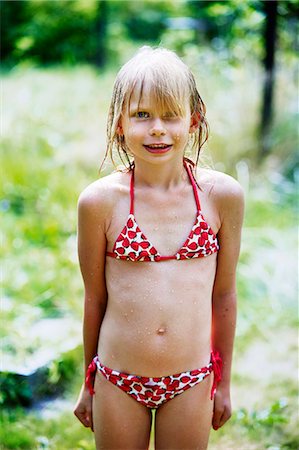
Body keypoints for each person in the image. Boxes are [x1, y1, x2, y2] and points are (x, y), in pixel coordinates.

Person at [73, 46, 244, 450]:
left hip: (192, 378)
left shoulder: (221, 196)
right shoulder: (100, 202)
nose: (157, 129)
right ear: (119, 123)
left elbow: (224, 295)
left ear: (193, 119)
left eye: (171, 115)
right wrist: (89, 380)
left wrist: (224, 382)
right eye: (142, 115)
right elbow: (95, 299)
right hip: (118, 377)